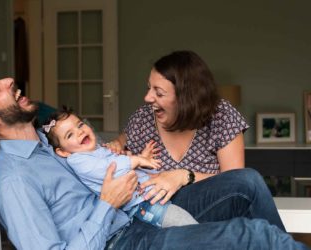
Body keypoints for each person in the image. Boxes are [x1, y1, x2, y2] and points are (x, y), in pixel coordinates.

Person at [0, 74, 308, 250]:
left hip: (140, 209)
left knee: (245, 182)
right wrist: (107, 204)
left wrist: (120, 154)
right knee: (251, 235)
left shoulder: (49, 141)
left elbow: (100, 157)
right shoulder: (14, 182)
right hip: (122, 241)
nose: (8, 80)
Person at [105, 50, 283, 227]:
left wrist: (184, 176)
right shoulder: (143, 118)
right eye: (148, 88)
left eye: (159, 93)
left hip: (209, 208)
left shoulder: (221, 115)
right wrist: (116, 145)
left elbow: (233, 184)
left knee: (248, 181)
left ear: (185, 97)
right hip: (156, 211)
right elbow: (121, 142)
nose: (147, 97)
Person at [43, 109, 198, 228]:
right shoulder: (78, 160)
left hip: (149, 190)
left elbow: (122, 162)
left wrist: (142, 159)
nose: (80, 132)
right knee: (181, 221)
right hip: (142, 204)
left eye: (80, 125)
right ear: (62, 152)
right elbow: (110, 169)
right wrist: (136, 160)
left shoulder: (96, 149)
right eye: (70, 135)